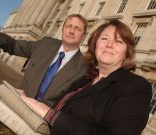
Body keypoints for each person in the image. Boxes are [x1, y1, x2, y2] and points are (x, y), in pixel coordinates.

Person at [20, 20, 152, 135]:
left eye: (118, 41)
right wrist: (29, 100)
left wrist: (51, 115)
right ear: (95, 45)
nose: (109, 44)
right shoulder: (86, 79)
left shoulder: (136, 86)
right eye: (104, 38)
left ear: (126, 52)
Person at [0, 14, 88, 106]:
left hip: (44, 117)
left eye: (77, 29)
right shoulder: (46, 43)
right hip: (18, 102)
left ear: (83, 36)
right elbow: (16, 45)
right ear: (63, 28)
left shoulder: (84, 68)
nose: (71, 31)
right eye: (69, 26)